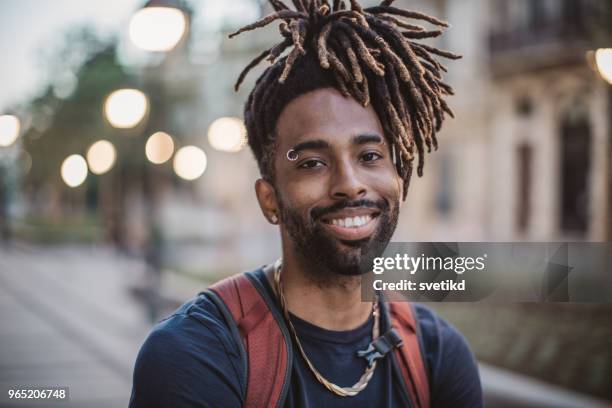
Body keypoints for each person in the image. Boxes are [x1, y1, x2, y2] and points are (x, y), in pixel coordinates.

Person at [129, 0, 482, 406]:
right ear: (269, 199)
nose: (350, 185)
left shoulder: (437, 357)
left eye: (370, 156)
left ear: (399, 179)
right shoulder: (194, 356)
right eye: (312, 163)